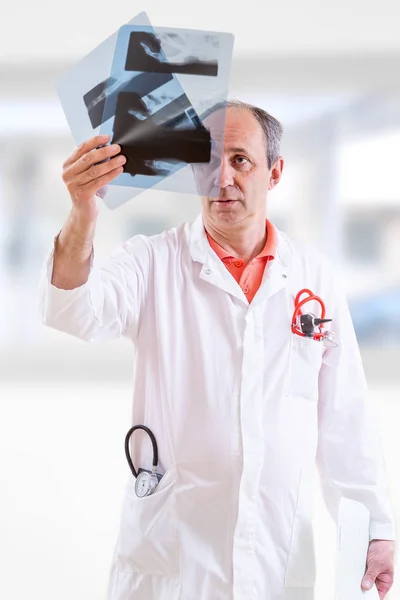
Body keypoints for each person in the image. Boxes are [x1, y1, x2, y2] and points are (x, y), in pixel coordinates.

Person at [38, 100, 396, 600]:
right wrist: (82, 213)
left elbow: (344, 416)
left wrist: (376, 528)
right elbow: (72, 309)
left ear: (275, 173)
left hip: (278, 558)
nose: (220, 177)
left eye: (240, 160)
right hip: (171, 563)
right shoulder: (152, 262)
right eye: (204, 161)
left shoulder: (313, 278)